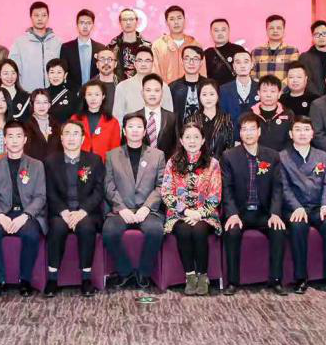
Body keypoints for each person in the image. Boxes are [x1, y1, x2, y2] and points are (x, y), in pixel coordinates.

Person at [221, 114, 287, 296]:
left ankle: (276, 280)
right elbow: (227, 188)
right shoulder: (229, 156)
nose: (248, 133)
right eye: (244, 129)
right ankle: (232, 282)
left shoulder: (272, 156)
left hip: (263, 212)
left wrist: (275, 213)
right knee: (231, 232)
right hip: (240, 213)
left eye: (252, 129)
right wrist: (232, 213)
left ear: (259, 132)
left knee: (278, 230)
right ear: (240, 133)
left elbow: (277, 188)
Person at [278, 116, 326, 293]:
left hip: (317, 207)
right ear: (291, 134)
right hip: (295, 207)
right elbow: (284, 187)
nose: (302, 133)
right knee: (298, 226)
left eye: (306, 129)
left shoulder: (324, 156)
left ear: (312, 133)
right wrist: (296, 207)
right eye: (298, 130)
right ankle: (301, 278)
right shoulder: (282, 157)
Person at [102, 114, 167, 290]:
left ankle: (144, 273)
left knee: (155, 231)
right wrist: (121, 208)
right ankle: (125, 272)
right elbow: (108, 185)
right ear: (124, 131)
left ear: (145, 131)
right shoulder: (112, 155)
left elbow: (161, 185)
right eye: (130, 126)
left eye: (139, 126)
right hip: (121, 209)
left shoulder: (157, 155)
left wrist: (147, 207)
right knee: (109, 232)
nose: (135, 130)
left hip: (148, 210)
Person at [43, 121, 106, 298]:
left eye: (76, 133)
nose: (71, 137)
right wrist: (63, 211)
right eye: (67, 133)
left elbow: (99, 191)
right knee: (57, 227)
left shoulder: (94, 160)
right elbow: (49, 191)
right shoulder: (50, 162)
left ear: (83, 138)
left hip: (86, 212)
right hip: (60, 211)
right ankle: (52, 278)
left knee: (86, 227)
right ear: (61, 138)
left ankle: (86, 278)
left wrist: (82, 211)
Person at [0, 123, 47, 298]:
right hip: (3, 213)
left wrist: (25, 216)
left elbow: (41, 196)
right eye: (10, 136)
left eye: (18, 136)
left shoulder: (36, 165)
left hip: (27, 213)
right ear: (4, 140)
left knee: (31, 235)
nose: (14, 140)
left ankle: (25, 280)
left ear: (25, 139)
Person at [162, 121, 222, 297]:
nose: (192, 141)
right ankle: (190, 276)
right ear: (181, 140)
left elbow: (215, 194)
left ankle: (202, 276)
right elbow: (166, 192)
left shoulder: (213, 163)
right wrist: (186, 212)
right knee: (184, 230)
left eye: (196, 137)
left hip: (205, 213)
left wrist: (199, 213)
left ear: (203, 140)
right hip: (179, 213)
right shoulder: (172, 162)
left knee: (199, 230)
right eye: (188, 137)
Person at [9, 2, 62, 91]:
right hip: (28, 92)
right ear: (31, 17)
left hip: (53, 92)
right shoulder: (19, 42)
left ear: (48, 17)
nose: (40, 19)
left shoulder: (58, 42)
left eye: (43, 15)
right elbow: (13, 68)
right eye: (36, 15)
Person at [112, 47, 175, 121]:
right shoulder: (122, 87)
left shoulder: (163, 87)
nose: (143, 64)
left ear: (153, 63)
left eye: (147, 61)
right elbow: (117, 118)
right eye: (140, 60)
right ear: (135, 64)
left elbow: (169, 117)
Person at [150, 5, 203, 83]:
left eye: (179, 18)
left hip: (191, 89)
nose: (176, 22)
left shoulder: (195, 44)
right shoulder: (158, 45)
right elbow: (155, 73)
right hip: (166, 89)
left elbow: (202, 72)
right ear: (166, 22)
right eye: (172, 19)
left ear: (184, 20)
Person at [71, 80, 121, 160]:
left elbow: (115, 150)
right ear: (85, 97)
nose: (93, 98)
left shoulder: (112, 121)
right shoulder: (75, 119)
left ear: (103, 96)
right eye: (89, 94)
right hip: (79, 162)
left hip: (103, 164)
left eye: (97, 94)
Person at [185, 79, 236, 157]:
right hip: (198, 163)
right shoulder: (191, 120)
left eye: (212, 94)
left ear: (218, 96)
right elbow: (187, 146)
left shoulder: (226, 119)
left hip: (221, 162)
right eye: (204, 94)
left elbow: (230, 146)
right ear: (199, 97)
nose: (208, 98)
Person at [133, 74, 178, 156]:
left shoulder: (172, 117)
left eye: (156, 90)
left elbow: (176, 146)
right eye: (148, 90)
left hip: (165, 162)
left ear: (162, 93)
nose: (152, 94)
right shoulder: (133, 118)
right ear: (142, 93)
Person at [297, 20, 326, 97]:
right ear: (312, 37)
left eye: (324, 33)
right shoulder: (304, 58)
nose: (321, 37)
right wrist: (319, 99)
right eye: (317, 34)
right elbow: (306, 80)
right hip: (311, 99)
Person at [60, 9, 102, 92]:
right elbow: (63, 72)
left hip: (94, 93)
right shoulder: (66, 48)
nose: (85, 26)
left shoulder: (101, 48)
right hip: (72, 93)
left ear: (93, 25)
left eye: (88, 23)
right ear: (77, 25)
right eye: (82, 23)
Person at [249, 75, 293, 152]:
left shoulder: (288, 114)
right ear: (258, 93)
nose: (268, 95)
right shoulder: (249, 114)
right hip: (256, 157)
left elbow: (292, 141)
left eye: (273, 91)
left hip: (282, 157)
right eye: (264, 91)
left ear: (279, 94)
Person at [251, 15, 299, 82]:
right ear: (266, 30)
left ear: (283, 30)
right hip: (261, 88)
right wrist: (262, 86)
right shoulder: (256, 52)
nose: (275, 31)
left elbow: (293, 74)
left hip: (284, 88)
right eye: (271, 28)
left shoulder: (292, 51)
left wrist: (280, 87)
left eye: (278, 28)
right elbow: (252, 74)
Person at [110, 8, 153, 81]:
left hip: (142, 84)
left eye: (131, 19)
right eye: (124, 20)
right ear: (120, 22)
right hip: (118, 86)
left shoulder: (148, 46)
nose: (128, 22)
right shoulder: (112, 46)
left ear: (137, 22)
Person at [203, 18, 248, 86]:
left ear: (229, 31)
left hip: (235, 90)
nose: (220, 33)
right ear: (211, 33)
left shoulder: (239, 50)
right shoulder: (207, 53)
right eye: (216, 30)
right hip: (215, 91)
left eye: (223, 30)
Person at [218, 50, 260, 121]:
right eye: (238, 62)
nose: (242, 66)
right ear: (234, 66)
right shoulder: (223, 90)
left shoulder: (260, 88)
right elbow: (222, 116)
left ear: (252, 65)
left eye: (246, 62)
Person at [168, 45, 206, 121]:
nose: (191, 62)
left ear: (201, 62)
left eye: (195, 59)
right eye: (187, 58)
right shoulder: (172, 87)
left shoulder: (209, 86)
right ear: (182, 61)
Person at [25, 89, 61, 161]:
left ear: (49, 105)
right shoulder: (25, 125)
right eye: (38, 103)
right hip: (34, 165)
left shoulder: (57, 124)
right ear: (32, 104)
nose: (41, 106)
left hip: (55, 165)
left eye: (45, 102)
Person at [44, 59, 76, 125]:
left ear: (65, 75)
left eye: (59, 72)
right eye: (52, 72)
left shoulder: (72, 96)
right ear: (47, 74)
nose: (55, 76)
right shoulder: (42, 94)